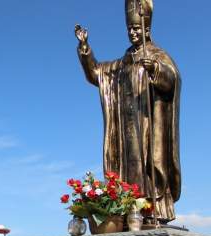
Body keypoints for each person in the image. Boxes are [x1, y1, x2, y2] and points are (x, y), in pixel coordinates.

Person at [74, 0, 181, 222]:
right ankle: (127, 210)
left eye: (137, 29)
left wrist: (156, 70)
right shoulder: (122, 64)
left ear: (147, 30)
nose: (133, 33)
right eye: (130, 29)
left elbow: (172, 81)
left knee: (149, 166)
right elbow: (97, 74)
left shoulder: (157, 55)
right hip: (124, 130)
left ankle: (153, 211)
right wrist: (85, 49)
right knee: (126, 170)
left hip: (148, 127)